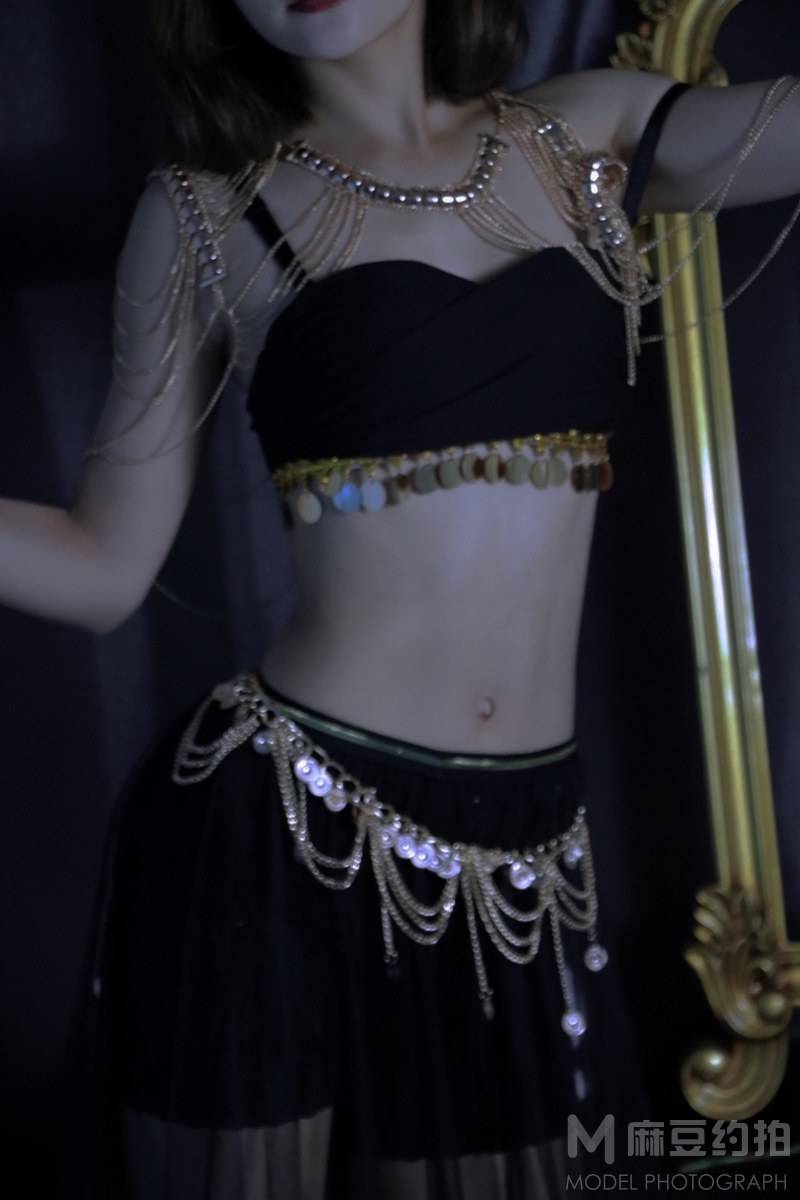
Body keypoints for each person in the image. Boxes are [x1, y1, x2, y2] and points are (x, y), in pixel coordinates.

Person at [4, 1, 798, 1196]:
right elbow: (104, 564)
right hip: (278, 836)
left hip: (524, 847)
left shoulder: (584, 134)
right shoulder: (208, 213)